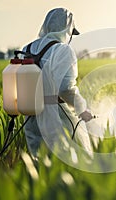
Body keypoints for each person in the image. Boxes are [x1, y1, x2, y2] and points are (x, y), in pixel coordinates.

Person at [23, 8, 93, 157]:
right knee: (70, 158)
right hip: (55, 115)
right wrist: (82, 109)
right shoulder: (63, 50)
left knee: (39, 160)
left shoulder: (26, 48)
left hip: (30, 115)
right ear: (66, 29)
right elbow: (65, 89)